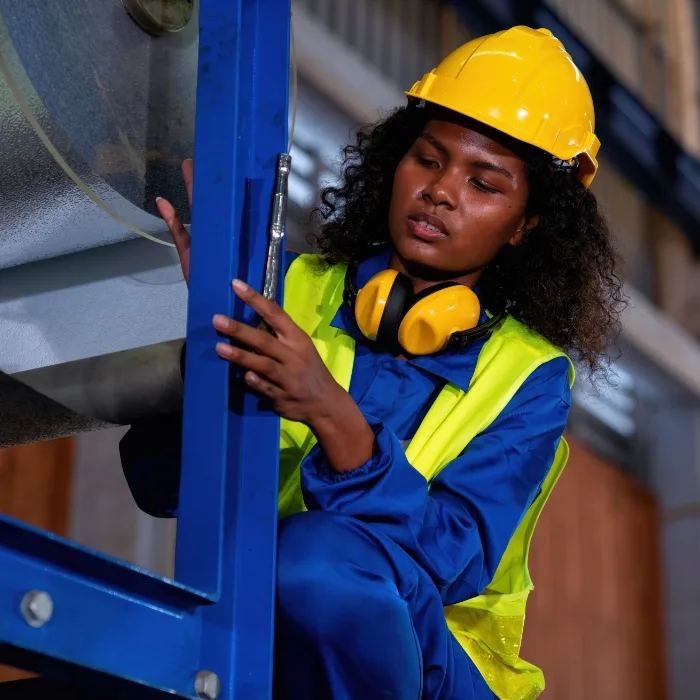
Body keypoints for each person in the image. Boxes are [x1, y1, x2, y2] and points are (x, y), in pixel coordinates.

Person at [120, 26, 623, 700]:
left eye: (485, 182)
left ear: (525, 225)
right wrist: (201, 344)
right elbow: (162, 490)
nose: (440, 192)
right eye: (428, 160)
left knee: (314, 558)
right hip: (264, 634)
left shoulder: (529, 377)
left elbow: (448, 557)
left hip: (438, 667)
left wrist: (333, 413)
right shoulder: (288, 288)